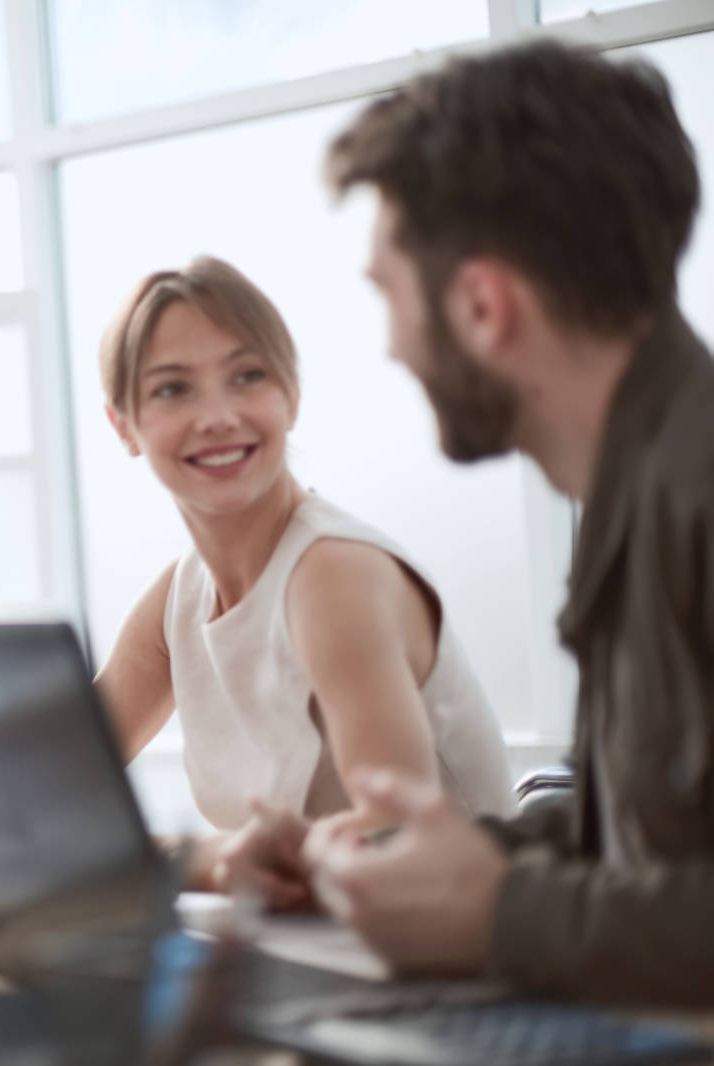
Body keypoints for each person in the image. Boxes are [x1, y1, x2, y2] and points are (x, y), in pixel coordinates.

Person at [304, 39, 714, 1004]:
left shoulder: (697, 495)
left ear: (483, 305)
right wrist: (391, 864)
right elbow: (641, 832)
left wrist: (500, 915)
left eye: (389, 295)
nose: (394, 346)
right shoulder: (644, 483)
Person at [92, 255, 512, 906]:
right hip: (319, 941)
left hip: (454, 948)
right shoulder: (181, 596)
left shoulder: (333, 573)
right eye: (173, 389)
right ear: (124, 426)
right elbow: (58, 796)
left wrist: (190, 860)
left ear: (290, 395)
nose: (219, 415)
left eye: (248, 376)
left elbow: (392, 843)